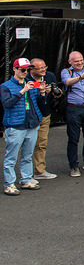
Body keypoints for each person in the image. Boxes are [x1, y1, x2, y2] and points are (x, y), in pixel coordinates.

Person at [2, 58, 42, 196]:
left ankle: (26, 179)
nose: (25, 72)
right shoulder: (6, 86)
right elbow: (7, 104)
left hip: (31, 124)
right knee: (11, 157)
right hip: (15, 126)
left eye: (27, 70)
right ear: (15, 69)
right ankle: (9, 183)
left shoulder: (31, 84)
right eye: (22, 70)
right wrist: (22, 91)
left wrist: (43, 92)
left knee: (28, 155)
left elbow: (40, 102)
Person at [26, 59, 61, 181]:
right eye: (40, 68)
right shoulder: (25, 79)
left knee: (41, 143)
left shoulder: (50, 76)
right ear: (32, 69)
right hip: (29, 116)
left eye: (44, 67)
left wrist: (53, 93)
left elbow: (56, 93)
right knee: (27, 144)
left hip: (45, 114)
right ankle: (26, 173)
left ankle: (39, 171)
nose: (43, 70)